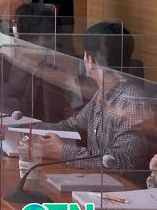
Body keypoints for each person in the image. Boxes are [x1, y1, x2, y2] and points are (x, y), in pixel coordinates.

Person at [36, 22, 151, 172]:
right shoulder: (104, 92)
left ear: (89, 61)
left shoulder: (132, 101)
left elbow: (125, 160)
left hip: (118, 185)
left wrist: (63, 152)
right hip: (95, 179)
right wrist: (27, 128)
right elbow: (73, 125)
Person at [0, 4, 77, 122]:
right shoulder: (23, 50)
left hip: (32, 119)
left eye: (15, 22)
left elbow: (15, 91)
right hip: (21, 114)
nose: (13, 26)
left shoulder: (43, 55)